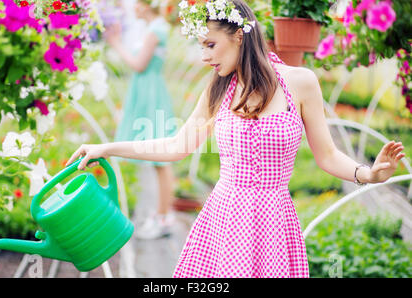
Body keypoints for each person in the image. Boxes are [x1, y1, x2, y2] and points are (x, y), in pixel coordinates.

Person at [67, 0, 406, 277]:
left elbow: (328, 155)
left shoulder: (301, 82)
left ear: (240, 37)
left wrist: (369, 174)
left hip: (275, 222)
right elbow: (174, 146)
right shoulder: (218, 89)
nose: (204, 56)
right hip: (224, 220)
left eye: (210, 45)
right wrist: (105, 148)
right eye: (201, 47)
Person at [104, 0, 177, 240]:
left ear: (146, 5)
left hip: (151, 95)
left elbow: (138, 64)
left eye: (136, 3)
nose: (133, 7)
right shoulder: (154, 28)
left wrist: (115, 43)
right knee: (159, 158)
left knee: (161, 159)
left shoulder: (156, 30)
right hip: (147, 92)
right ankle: (161, 215)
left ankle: (164, 217)